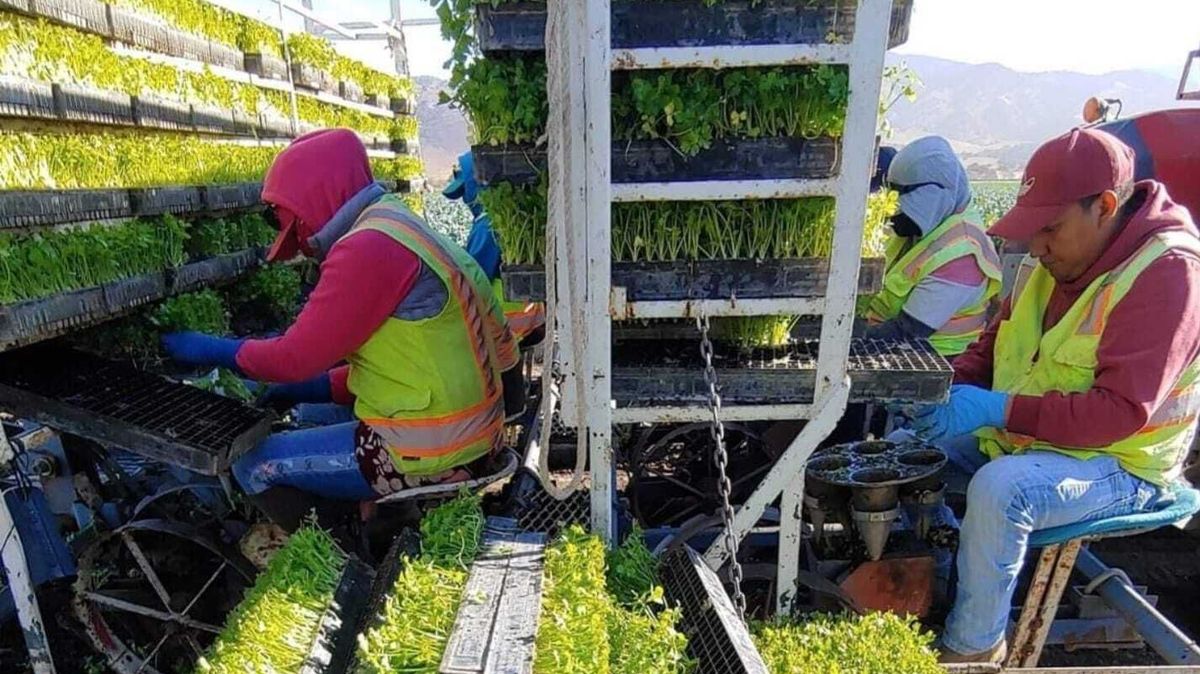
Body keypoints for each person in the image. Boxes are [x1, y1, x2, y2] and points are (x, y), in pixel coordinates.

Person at [908, 128, 1200, 663]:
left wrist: (996, 409)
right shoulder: (1049, 263)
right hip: (1036, 438)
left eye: (1050, 229)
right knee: (904, 451)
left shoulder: (1167, 272)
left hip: (1124, 463)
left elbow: (1119, 414)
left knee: (1002, 490)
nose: (1036, 246)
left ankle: (973, 647)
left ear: (1105, 206)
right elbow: (992, 348)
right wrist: (947, 392)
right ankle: (936, 580)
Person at [161, 129, 520, 530]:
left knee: (255, 464)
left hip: (430, 451)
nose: (305, 247)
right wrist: (304, 390)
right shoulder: (399, 225)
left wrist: (214, 350)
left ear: (313, 202)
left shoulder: (366, 248)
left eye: (297, 232)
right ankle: (377, 517)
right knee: (312, 412)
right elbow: (402, 364)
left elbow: (293, 358)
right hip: (474, 435)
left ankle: (339, 556)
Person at [865, 136, 1003, 356]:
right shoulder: (932, 222)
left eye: (904, 199)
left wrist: (842, 338)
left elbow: (907, 331)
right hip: (896, 344)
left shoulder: (962, 252)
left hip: (936, 359)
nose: (894, 213)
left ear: (934, 192)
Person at [443, 150, 545, 346]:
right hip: (532, 320)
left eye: (466, 192)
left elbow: (474, 277)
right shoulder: (511, 214)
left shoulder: (487, 225)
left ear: (478, 187)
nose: (465, 201)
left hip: (505, 325)